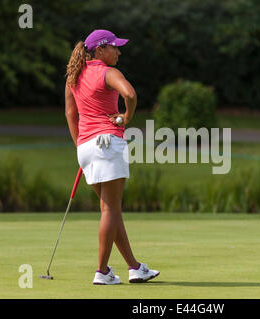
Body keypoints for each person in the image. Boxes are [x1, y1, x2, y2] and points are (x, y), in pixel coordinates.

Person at [64, 29, 159, 285]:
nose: (118, 52)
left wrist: (80, 146)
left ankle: (134, 267)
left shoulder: (74, 76)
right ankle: (102, 271)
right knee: (111, 209)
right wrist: (126, 117)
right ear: (100, 50)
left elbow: (71, 115)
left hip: (85, 147)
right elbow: (130, 94)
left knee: (110, 211)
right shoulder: (108, 72)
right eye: (114, 47)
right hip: (107, 144)